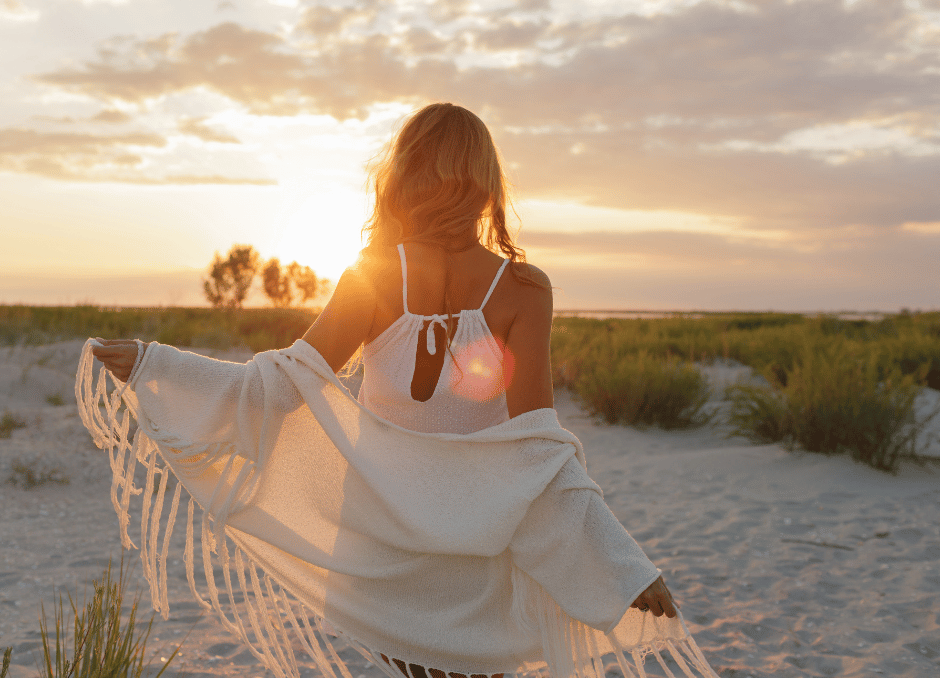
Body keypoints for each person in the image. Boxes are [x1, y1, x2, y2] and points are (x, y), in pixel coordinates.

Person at [90, 103, 683, 677]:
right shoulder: (522, 289)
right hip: (469, 537)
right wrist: (153, 366)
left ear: (404, 178)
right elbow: (538, 450)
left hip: (395, 544)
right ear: (485, 183)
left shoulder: (375, 275)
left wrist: (154, 367)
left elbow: (275, 388)